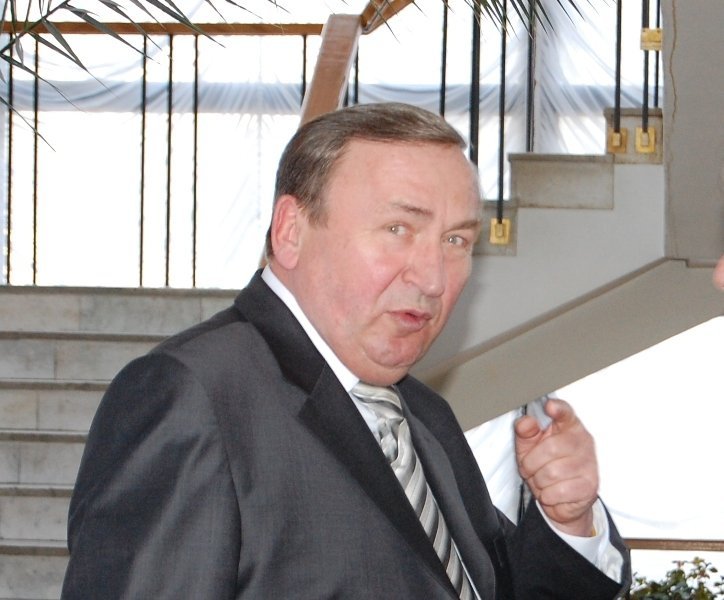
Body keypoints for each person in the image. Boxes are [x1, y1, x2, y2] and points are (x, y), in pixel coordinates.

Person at [61, 102, 631, 599]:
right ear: (291, 231)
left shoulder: (423, 415)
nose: (434, 277)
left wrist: (569, 520)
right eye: (398, 229)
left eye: (456, 240)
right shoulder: (196, 396)